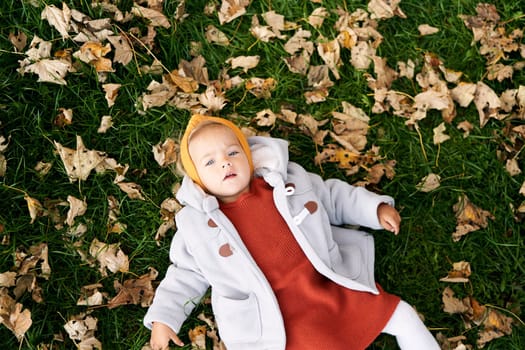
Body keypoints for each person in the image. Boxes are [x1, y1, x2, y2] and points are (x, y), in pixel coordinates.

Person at [144, 114, 440, 350]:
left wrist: (373, 210)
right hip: (279, 317)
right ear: (198, 180)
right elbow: (185, 274)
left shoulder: (286, 183)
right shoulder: (196, 226)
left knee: (403, 316)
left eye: (233, 152)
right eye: (210, 162)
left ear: (248, 156)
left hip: (328, 284)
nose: (225, 162)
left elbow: (333, 197)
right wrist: (164, 317)